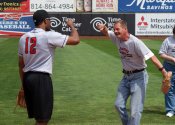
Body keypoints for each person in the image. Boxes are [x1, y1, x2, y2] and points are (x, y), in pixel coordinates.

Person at [96, 20, 167, 125]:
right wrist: (103, 28)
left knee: (135, 111)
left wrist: (163, 71)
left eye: (117, 29)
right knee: (118, 105)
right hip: (126, 77)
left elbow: (152, 57)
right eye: (114, 29)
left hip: (139, 78)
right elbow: (107, 32)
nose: (115, 31)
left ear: (125, 29)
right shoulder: (117, 38)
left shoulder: (135, 42)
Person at [18, 10, 80, 125]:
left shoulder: (23, 37)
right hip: (41, 79)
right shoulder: (48, 35)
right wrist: (72, 26)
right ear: (45, 21)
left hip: (28, 79)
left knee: (39, 118)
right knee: (43, 120)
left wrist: (22, 86)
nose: (50, 22)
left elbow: (21, 64)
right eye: (49, 20)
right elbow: (76, 40)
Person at [159, 26, 175, 118]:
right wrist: (172, 59)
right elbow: (161, 54)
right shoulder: (168, 40)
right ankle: (170, 110)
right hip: (169, 67)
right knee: (169, 88)